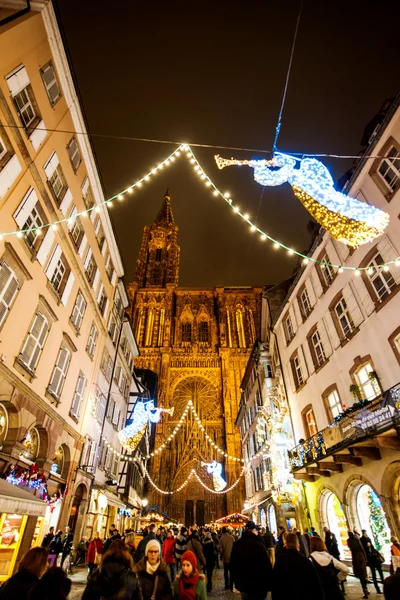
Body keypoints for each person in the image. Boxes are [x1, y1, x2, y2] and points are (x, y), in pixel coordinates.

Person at [271, 532, 324, 600]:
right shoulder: (306, 561)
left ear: (286, 545)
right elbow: (316, 586)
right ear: (298, 546)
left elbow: (275, 585)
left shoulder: (280, 560)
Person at [230, 520, 272, 600]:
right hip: (259, 585)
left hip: (244, 585)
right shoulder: (259, 545)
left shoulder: (237, 545)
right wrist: (269, 584)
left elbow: (233, 565)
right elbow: (267, 566)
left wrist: (234, 582)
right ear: (252, 531)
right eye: (256, 530)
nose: (257, 532)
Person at [309, 535, 348, 600]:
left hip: (322, 592)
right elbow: (346, 569)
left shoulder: (310, 560)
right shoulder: (330, 558)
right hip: (335, 592)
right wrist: (338, 578)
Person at [360, 529, 384, 594]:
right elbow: (363, 549)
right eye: (365, 533)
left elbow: (372, 547)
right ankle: (377, 588)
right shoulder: (362, 540)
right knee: (374, 573)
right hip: (370, 559)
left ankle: (383, 584)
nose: (365, 534)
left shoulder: (368, 538)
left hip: (374, 557)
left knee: (380, 571)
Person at [347, 531, 369, 598]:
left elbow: (351, 548)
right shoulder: (356, 540)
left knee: (361, 575)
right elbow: (362, 548)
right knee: (363, 574)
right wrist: (365, 558)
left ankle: (365, 589)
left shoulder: (349, 541)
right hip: (361, 558)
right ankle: (365, 588)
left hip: (355, 558)